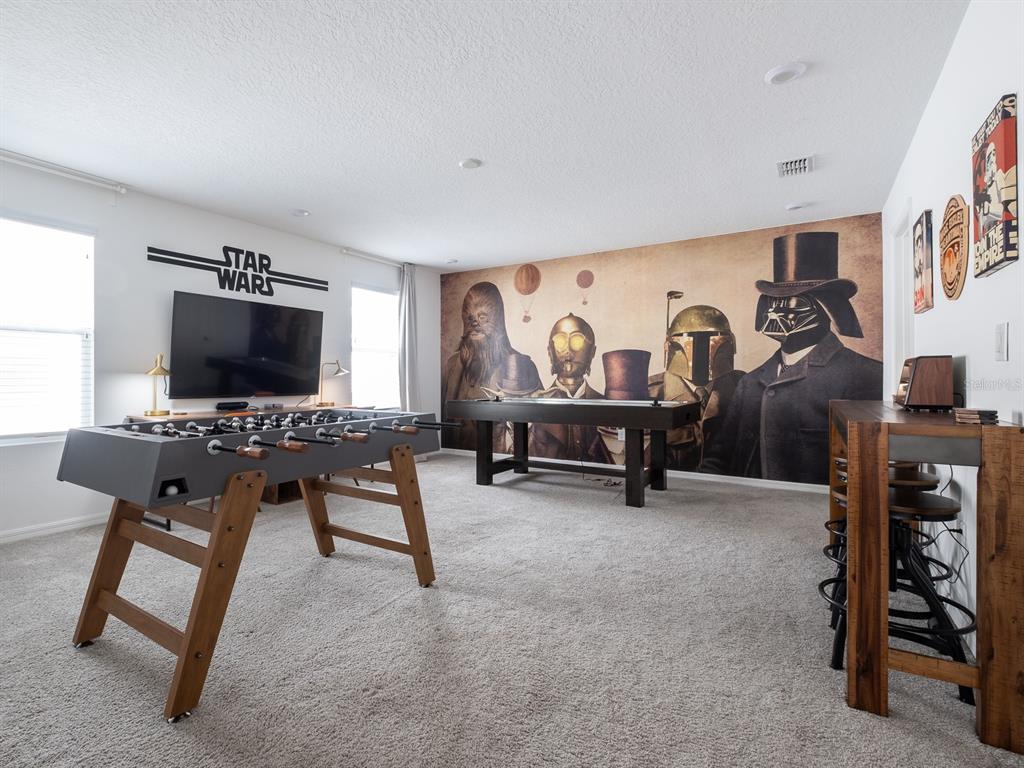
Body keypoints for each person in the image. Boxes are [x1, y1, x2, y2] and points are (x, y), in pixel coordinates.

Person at [701, 232, 882, 484]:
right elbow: (720, 457)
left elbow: (870, 468)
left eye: (792, 303)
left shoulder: (865, 376)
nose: (776, 313)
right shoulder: (749, 383)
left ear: (827, 308)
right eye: (774, 303)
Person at [648, 305, 745, 470]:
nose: (701, 349)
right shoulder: (651, 393)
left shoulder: (743, 388)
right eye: (691, 338)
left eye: (713, 337)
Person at [442, 282, 527, 449]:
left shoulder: (520, 365)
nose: (475, 324)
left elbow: (536, 431)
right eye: (470, 318)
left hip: (497, 452)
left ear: (497, 321)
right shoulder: (452, 365)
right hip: (456, 453)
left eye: (482, 318)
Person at [531, 313, 612, 464]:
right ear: (550, 351)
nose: (568, 350)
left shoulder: (605, 405)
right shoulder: (537, 406)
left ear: (592, 352)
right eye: (560, 341)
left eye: (577, 341)